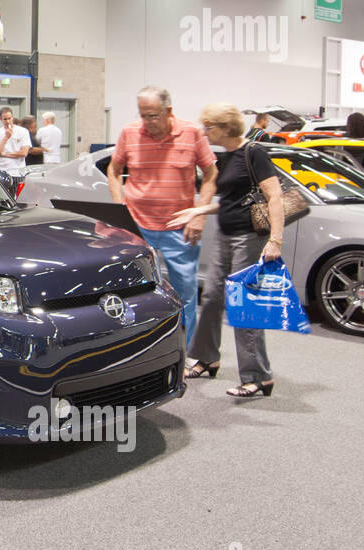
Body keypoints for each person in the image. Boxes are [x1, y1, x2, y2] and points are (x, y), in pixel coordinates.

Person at [167, 103, 282, 398]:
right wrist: (200, 209)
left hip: (249, 238)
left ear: (225, 127)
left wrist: (275, 240)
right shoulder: (226, 157)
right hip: (225, 235)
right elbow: (229, 201)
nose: (205, 132)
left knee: (242, 303)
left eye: (209, 127)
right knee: (214, 297)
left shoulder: (253, 153)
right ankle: (207, 358)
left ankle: (258, 376)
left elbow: (275, 197)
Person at [106, 86, 217, 346]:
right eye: (143, 115)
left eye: (153, 116)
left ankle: (185, 353)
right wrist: (118, 208)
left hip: (179, 229)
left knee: (185, 294)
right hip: (137, 227)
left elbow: (211, 175)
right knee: (133, 294)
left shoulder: (192, 133)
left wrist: (199, 214)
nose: (148, 122)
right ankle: (137, 350)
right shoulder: (130, 133)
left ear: (169, 111)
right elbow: (114, 170)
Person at [0, 107, 30, 194]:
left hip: (17, 172)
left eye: (9, 118)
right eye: (5, 119)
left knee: (17, 199)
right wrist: (6, 137)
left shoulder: (23, 131)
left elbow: (24, 152)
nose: (8, 121)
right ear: (0, 119)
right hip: (1, 171)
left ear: (12, 117)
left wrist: (4, 154)